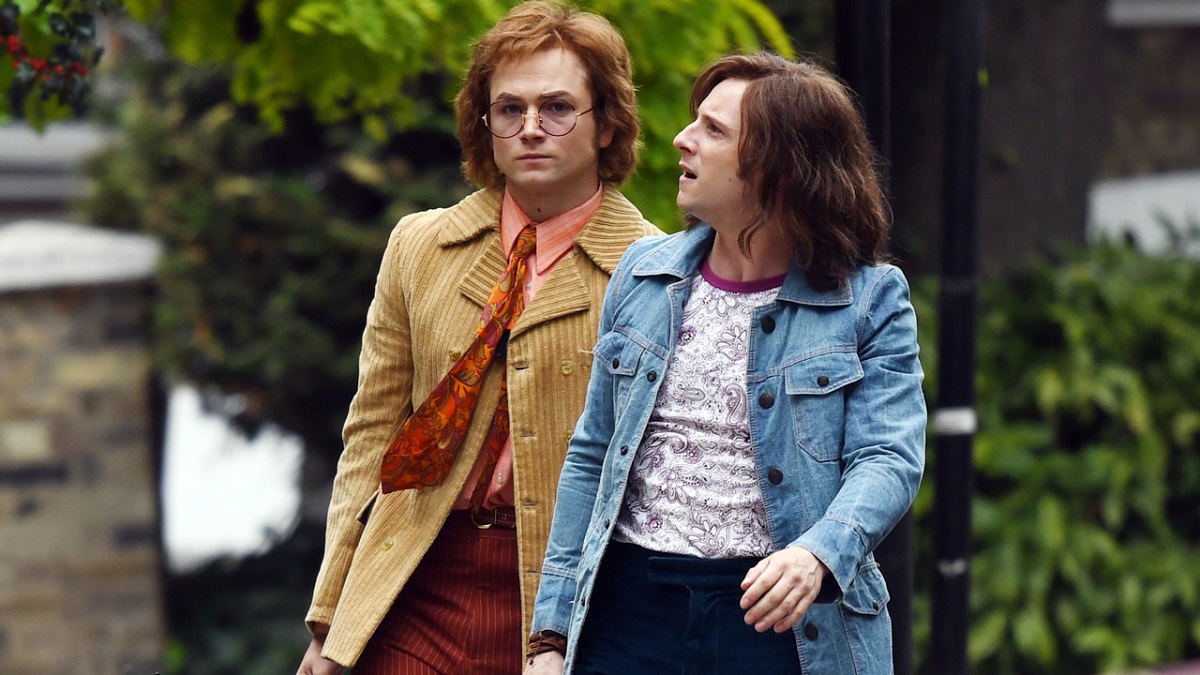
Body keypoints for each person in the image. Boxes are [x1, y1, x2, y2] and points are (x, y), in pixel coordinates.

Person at [524, 52, 927, 675]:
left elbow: (889, 457)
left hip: (783, 625)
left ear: (780, 169)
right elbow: (592, 454)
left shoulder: (870, 299)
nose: (683, 139)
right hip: (627, 616)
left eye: (714, 130)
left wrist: (818, 555)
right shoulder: (642, 274)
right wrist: (550, 637)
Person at [297, 3, 659, 673]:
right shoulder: (419, 246)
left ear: (606, 123)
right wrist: (329, 617)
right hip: (412, 583)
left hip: (570, 608)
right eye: (509, 109)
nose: (531, 128)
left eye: (557, 108)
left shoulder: (657, 272)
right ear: (484, 124)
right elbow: (371, 436)